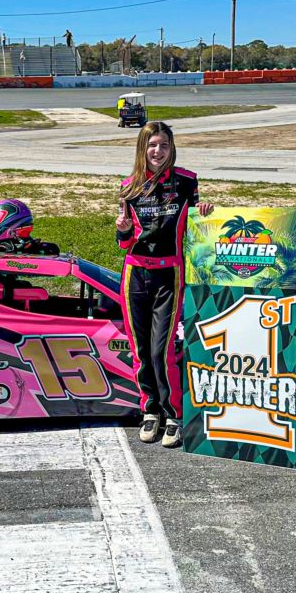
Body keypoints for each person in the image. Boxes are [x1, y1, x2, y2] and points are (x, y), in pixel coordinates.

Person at [116, 121, 214, 448]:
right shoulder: (128, 187)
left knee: (161, 351)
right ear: (142, 148)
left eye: (164, 145)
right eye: (152, 145)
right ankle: (151, 410)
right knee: (141, 351)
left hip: (169, 275)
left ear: (172, 148)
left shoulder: (186, 181)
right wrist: (122, 228)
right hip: (135, 275)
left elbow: (199, 224)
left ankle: (174, 413)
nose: (158, 151)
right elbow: (124, 242)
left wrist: (205, 211)